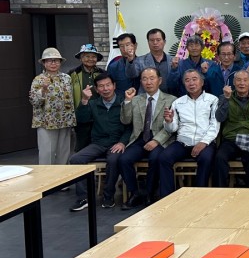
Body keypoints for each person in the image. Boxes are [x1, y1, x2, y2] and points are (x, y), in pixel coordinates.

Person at [69, 72, 131, 211]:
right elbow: (81, 120)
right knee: (75, 159)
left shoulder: (124, 102)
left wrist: (122, 142)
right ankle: (83, 198)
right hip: (98, 143)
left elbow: (130, 127)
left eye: (108, 85)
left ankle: (108, 196)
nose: (105, 89)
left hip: (116, 143)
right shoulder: (93, 104)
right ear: (96, 90)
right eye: (101, 86)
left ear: (114, 86)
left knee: (113, 160)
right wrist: (84, 100)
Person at [118, 67, 176, 209]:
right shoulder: (136, 99)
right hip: (139, 138)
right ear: (141, 82)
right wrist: (127, 101)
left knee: (155, 158)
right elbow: (125, 121)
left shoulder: (171, 99)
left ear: (159, 80)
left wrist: (156, 140)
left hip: (160, 139)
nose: (148, 82)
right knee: (124, 159)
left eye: (151, 78)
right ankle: (135, 193)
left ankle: (150, 193)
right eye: (144, 79)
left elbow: (171, 127)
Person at [160, 69, 220, 197]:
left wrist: (203, 142)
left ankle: (198, 196)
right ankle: (166, 197)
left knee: (206, 159)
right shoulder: (178, 102)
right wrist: (169, 121)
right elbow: (172, 129)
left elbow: (215, 125)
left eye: (194, 79)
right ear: (184, 84)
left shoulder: (212, 100)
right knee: (164, 157)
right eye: (187, 80)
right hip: (182, 142)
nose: (191, 83)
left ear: (202, 82)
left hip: (205, 142)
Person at [214, 70, 249, 189]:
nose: (242, 83)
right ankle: (219, 193)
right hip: (230, 139)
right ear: (233, 82)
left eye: (245, 80)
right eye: (238, 80)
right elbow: (220, 118)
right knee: (219, 157)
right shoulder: (224, 97)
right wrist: (226, 99)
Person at [29, 47, 75, 165]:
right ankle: (47, 177)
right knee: (47, 153)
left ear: (60, 62)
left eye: (56, 60)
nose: (53, 63)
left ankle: (63, 177)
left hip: (65, 121)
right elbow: (34, 101)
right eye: (49, 60)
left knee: (64, 153)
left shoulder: (67, 78)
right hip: (46, 122)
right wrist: (43, 89)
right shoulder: (38, 79)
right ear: (44, 63)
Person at [69, 43, 103, 151]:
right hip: (80, 115)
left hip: (99, 115)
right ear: (81, 58)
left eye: (93, 56)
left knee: (99, 145)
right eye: (87, 56)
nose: (90, 59)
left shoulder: (102, 73)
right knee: (81, 147)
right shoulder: (72, 74)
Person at [125, 28, 171, 93]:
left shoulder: (172, 60)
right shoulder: (140, 60)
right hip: (146, 97)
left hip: (169, 96)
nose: (155, 43)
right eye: (152, 40)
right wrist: (130, 60)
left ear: (164, 42)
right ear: (148, 42)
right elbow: (131, 74)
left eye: (158, 40)